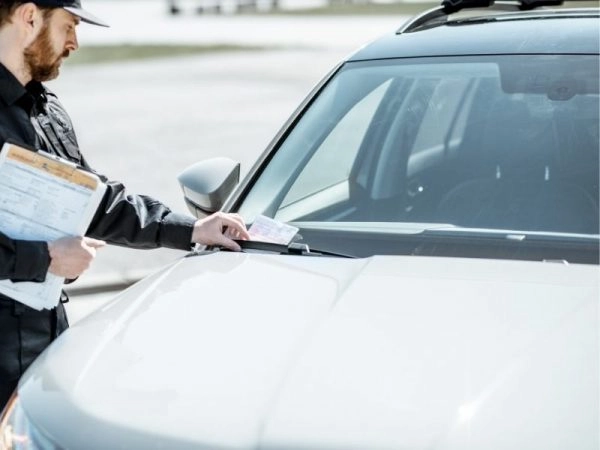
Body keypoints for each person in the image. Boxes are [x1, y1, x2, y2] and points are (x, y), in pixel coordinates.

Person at [0, 0, 249, 411]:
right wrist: (42, 258)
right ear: (30, 18)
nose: (74, 42)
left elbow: (99, 202)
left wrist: (189, 230)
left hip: (46, 343)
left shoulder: (47, 109)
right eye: (69, 25)